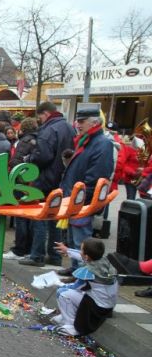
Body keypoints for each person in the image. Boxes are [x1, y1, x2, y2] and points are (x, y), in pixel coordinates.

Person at [58, 107, 115, 274]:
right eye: (78, 121)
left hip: (83, 202)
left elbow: (97, 177)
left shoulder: (102, 143)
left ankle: (83, 274)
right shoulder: (87, 141)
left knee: (82, 242)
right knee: (74, 240)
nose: (78, 124)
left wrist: (81, 200)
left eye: (82, 121)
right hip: (75, 200)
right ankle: (76, 269)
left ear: (94, 122)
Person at [19, 102, 75, 268]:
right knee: (55, 218)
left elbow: (43, 156)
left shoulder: (49, 130)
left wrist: (29, 158)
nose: (40, 120)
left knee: (41, 217)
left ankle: (37, 255)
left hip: (45, 179)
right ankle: (55, 256)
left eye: (40, 117)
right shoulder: (69, 128)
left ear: (45, 114)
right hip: (61, 179)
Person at [46, 238, 117, 336]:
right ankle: (64, 316)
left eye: (81, 250)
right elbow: (83, 256)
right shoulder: (103, 261)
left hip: (98, 307)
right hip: (107, 304)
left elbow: (76, 287)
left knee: (62, 292)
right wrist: (67, 250)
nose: (80, 252)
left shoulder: (89, 272)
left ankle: (71, 325)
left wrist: (57, 282)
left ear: (86, 256)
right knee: (68, 290)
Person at [3, 118, 39, 260]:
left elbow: (16, 161)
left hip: (22, 182)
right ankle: (29, 248)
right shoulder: (38, 140)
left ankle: (19, 249)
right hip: (34, 182)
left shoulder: (24, 141)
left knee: (21, 217)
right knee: (30, 217)